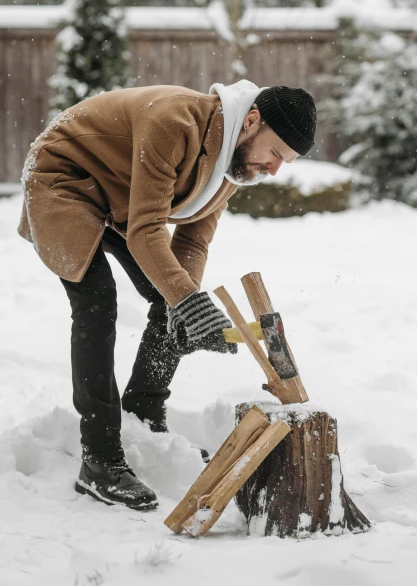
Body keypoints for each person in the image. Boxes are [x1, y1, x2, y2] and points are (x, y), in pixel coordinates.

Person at [18, 79, 317, 510]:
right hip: (62, 178)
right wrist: (188, 302)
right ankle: (99, 460)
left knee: (171, 298)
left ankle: (143, 416)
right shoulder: (174, 121)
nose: (274, 170)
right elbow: (145, 231)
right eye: (275, 154)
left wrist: (184, 305)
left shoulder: (233, 165)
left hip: (118, 196)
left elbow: (192, 245)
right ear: (251, 121)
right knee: (97, 302)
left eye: (284, 162)